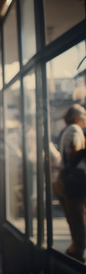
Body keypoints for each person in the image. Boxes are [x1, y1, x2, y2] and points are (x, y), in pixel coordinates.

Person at [53, 104, 86, 263]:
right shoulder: (75, 129)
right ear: (76, 118)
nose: (85, 118)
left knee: (73, 217)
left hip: (64, 179)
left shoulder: (68, 129)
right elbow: (74, 149)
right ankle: (77, 252)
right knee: (78, 218)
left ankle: (75, 248)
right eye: (84, 115)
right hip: (73, 180)